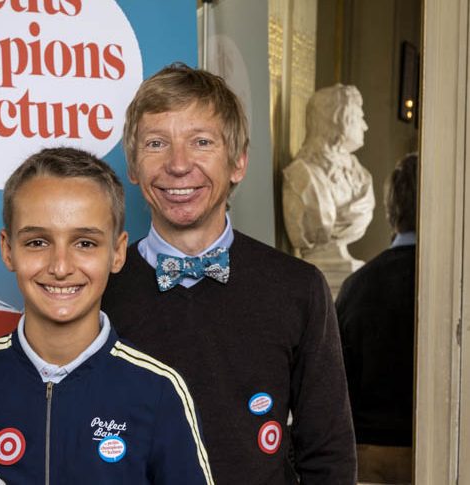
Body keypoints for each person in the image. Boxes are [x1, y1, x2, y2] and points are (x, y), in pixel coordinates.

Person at [0, 147, 214, 485]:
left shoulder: (158, 391)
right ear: (7, 249)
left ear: (118, 253)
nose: (60, 267)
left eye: (85, 243)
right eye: (37, 242)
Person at [102, 63, 357, 484]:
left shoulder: (298, 288)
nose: (178, 164)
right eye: (156, 143)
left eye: (201, 142)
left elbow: (328, 456)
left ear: (238, 163)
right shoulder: (99, 291)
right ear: (132, 167)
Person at [335, 153, 418, 484]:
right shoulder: (451, 287)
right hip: (433, 448)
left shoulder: (358, 285)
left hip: (367, 458)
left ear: (390, 210)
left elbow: (337, 381)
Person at [282, 84, 375, 264]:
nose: (365, 126)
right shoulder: (302, 175)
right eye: (359, 117)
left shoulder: (361, 177)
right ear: (338, 118)